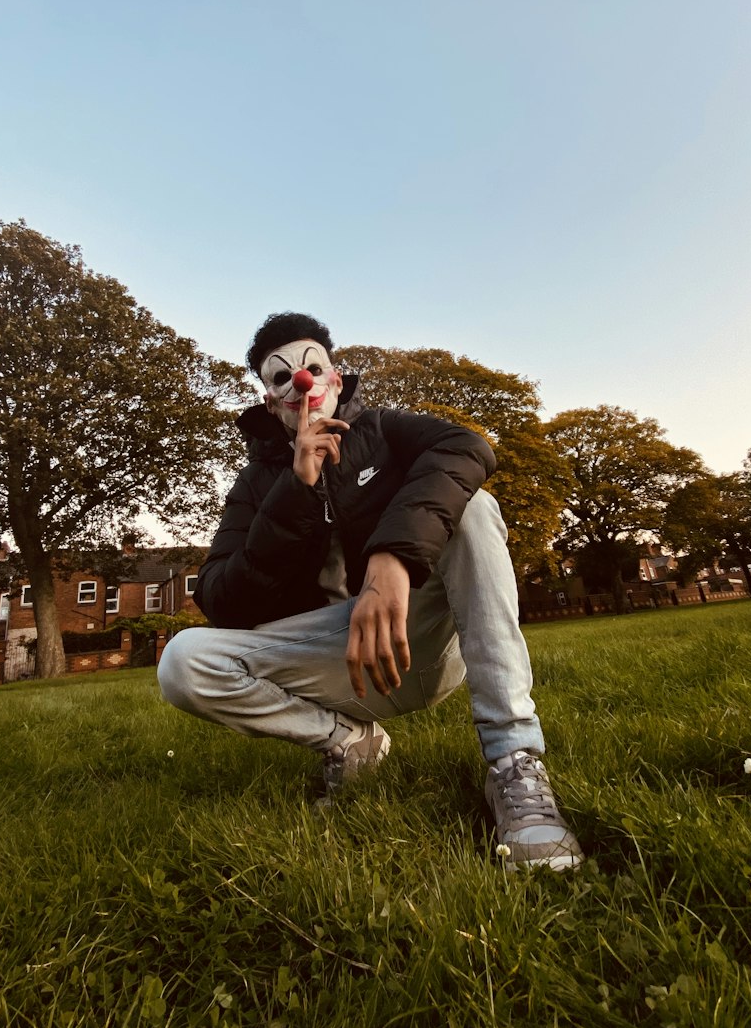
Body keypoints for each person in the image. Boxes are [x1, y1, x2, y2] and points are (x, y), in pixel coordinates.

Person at [157, 313, 583, 870]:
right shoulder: (254, 483)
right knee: (182, 662)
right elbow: (222, 600)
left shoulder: (385, 431)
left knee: (475, 508)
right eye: (282, 378)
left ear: (335, 378)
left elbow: (468, 447)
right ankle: (348, 741)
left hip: (421, 632)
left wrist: (392, 559)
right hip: (342, 665)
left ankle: (513, 760)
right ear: (271, 403)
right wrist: (295, 487)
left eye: (313, 368)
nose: (301, 383)